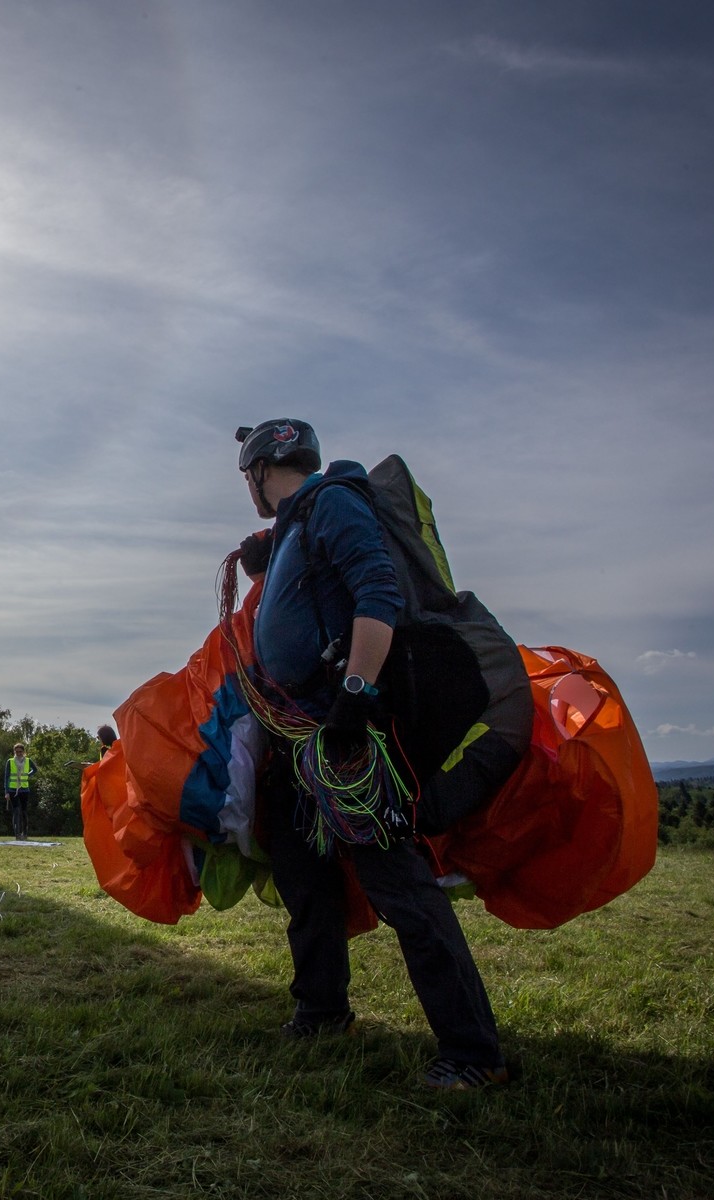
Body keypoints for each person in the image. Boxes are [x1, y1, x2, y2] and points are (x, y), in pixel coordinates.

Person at [232, 419, 509, 1091]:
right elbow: (314, 602)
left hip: (345, 728)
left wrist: (354, 699)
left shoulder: (331, 501)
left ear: (262, 469)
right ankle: (322, 1011)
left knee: (397, 883)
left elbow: (375, 592)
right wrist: (267, 565)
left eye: (247, 478)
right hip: (301, 733)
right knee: (303, 874)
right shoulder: (299, 524)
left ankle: (473, 1052)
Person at [2, 743, 36, 840]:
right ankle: (17, 834)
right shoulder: (10, 761)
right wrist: (6, 792)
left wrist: (28, 775)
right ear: (14, 752)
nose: (19, 753)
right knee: (16, 811)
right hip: (13, 789)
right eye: (17, 752)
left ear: (23, 752)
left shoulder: (28, 760)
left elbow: (35, 769)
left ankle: (24, 833)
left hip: (24, 789)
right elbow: (6, 777)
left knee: (24, 811)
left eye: (20, 751)